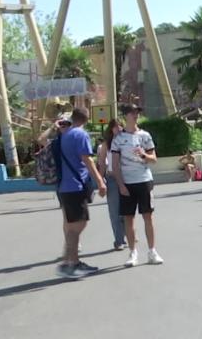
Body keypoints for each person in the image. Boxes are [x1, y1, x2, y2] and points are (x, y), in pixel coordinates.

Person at [56, 107, 107, 279]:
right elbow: (88, 160)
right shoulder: (80, 135)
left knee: (74, 226)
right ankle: (72, 264)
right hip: (75, 187)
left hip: (65, 186)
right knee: (78, 225)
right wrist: (100, 181)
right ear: (87, 118)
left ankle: (68, 262)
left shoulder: (65, 134)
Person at [111, 104, 163, 266]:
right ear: (125, 116)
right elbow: (115, 164)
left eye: (138, 112)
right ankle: (133, 253)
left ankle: (152, 251)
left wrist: (144, 155)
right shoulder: (118, 139)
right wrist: (121, 185)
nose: (136, 115)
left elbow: (154, 159)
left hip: (144, 180)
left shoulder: (145, 135)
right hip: (127, 183)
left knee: (148, 216)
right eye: (132, 112)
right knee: (129, 218)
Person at [96, 119, 127, 251]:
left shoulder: (127, 141)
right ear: (111, 129)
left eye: (120, 126)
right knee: (115, 211)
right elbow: (102, 164)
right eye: (115, 126)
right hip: (112, 179)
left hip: (127, 178)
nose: (118, 128)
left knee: (127, 211)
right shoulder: (106, 145)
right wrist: (101, 181)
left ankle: (128, 234)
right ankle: (119, 240)